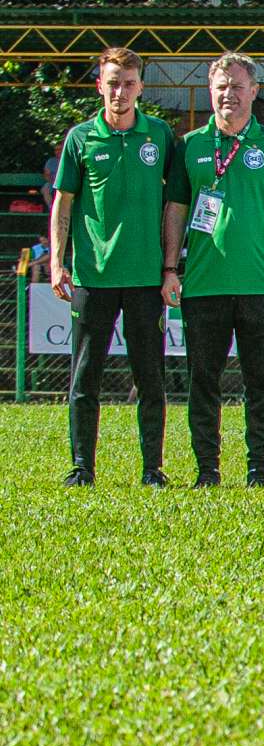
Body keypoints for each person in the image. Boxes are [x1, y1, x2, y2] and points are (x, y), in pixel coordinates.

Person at [161, 52, 264, 487]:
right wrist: (171, 267)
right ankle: (208, 470)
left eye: (238, 87)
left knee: (261, 383)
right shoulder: (189, 145)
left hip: (261, 284)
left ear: (254, 92)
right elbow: (175, 211)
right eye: (222, 87)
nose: (229, 95)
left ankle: (258, 469)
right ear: (211, 91)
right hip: (203, 285)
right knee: (202, 382)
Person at [50, 47, 174, 487]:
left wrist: (171, 266)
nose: (119, 92)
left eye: (128, 83)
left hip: (145, 278)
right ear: (99, 85)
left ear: (141, 87)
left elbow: (175, 203)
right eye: (112, 82)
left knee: (151, 379)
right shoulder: (80, 138)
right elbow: (63, 203)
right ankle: (82, 466)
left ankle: (152, 469)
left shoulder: (159, 135)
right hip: (92, 276)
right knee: (85, 376)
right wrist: (57, 262)